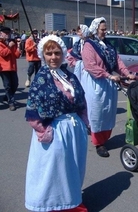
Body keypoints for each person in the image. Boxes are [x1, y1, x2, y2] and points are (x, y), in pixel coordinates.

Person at [24, 34, 89, 212]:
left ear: (62, 54)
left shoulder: (69, 75)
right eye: (49, 53)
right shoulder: (41, 79)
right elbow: (33, 110)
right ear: (43, 55)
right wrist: (44, 131)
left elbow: (81, 100)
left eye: (57, 53)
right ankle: (53, 205)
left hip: (74, 130)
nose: (53, 57)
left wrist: (84, 123)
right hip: (54, 130)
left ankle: (71, 201)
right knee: (53, 171)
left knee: (73, 168)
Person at [81, 17, 135, 157]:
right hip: (96, 82)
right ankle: (98, 143)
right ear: (95, 30)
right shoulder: (89, 45)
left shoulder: (109, 46)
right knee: (97, 112)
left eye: (106, 29)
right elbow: (90, 66)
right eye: (102, 29)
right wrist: (108, 75)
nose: (105, 32)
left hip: (108, 82)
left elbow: (118, 62)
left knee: (108, 112)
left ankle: (104, 137)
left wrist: (127, 74)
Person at [0, 25, 21, 111]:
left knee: (15, 84)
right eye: (5, 33)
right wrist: (9, 46)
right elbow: (3, 54)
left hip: (12, 67)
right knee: (7, 85)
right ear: (1, 34)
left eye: (8, 33)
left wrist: (18, 46)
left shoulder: (11, 43)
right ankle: (11, 102)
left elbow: (17, 55)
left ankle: (7, 96)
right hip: (4, 68)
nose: (7, 35)